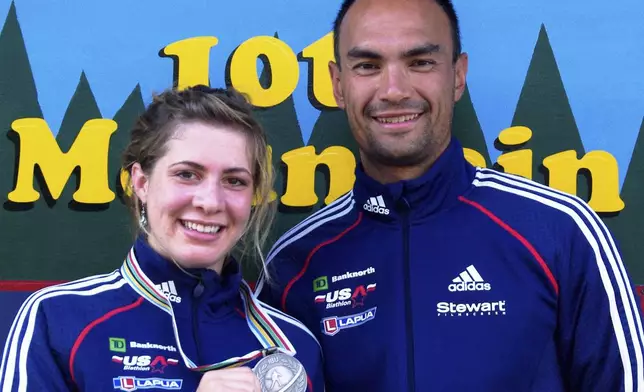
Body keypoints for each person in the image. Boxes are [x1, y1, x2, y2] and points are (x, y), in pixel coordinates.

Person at [254, 0, 644, 391]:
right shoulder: (293, 264)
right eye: (368, 65)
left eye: (420, 62)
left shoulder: (561, 231)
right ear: (338, 84)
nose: (393, 90)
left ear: (458, 76)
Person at [0, 85, 324, 392]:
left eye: (234, 181)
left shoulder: (294, 347)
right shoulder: (57, 318)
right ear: (140, 182)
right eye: (187, 174)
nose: (210, 202)